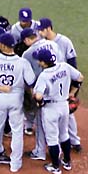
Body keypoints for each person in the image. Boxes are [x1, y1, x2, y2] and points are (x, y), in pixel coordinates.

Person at [0, 33, 36, 173]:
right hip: (16, 98)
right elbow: (31, 82)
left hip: (0, 98)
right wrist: (28, 95)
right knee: (17, 131)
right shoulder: (22, 62)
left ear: (3, 45)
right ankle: (15, 164)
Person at [33, 49, 84, 174]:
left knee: (52, 138)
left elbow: (39, 96)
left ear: (44, 62)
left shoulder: (44, 75)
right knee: (64, 134)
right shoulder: (65, 66)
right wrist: (72, 93)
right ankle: (67, 161)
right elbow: (80, 77)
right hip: (64, 106)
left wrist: (39, 101)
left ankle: (55, 166)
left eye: (39, 61)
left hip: (51, 109)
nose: (38, 63)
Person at [35, 18, 83, 153]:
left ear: (49, 28)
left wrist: (73, 91)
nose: (39, 32)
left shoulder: (64, 42)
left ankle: (75, 141)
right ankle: (63, 146)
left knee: (68, 115)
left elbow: (73, 64)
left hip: (65, 82)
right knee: (63, 116)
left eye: (41, 30)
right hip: (52, 83)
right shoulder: (41, 43)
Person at [21, 28, 62, 161]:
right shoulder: (53, 44)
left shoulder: (27, 54)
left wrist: (31, 94)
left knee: (41, 121)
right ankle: (58, 150)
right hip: (60, 88)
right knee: (58, 123)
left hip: (43, 91)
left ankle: (40, 151)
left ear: (27, 40)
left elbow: (29, 79)